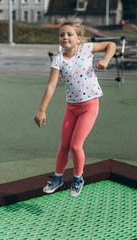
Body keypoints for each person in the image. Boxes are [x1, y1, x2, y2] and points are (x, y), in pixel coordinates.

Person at [34, 17, 116, 197]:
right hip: (71, 108)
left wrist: (106, 60)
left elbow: (111, 45)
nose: (65, 37)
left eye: (70, 34)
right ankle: (58, 177)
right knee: (64, 145)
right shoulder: (58, 60)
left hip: (90, 105)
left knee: (76, 146)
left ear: (78, 38)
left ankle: (78, 178)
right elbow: (51, 86)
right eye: (62, 34)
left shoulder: (86, 49)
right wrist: (42, 110)